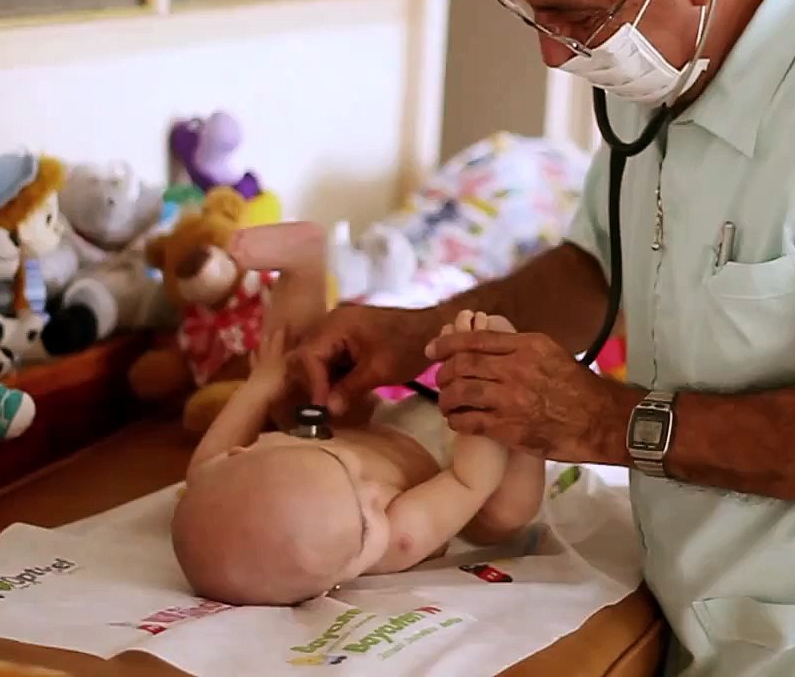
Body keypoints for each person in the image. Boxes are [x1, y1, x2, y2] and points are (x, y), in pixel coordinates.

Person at [287, 0, 795, 674]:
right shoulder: (662, 61)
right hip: (708, 603)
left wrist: (601, 422)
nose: (555, 53)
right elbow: (601, 267)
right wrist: (414, 334)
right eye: (531, 11)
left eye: (579, 17)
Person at [172, 222, 545, 606]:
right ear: (332, 584)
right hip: (456, 454)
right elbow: (469, 482)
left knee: (295, 382)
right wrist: (477, 387)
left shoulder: (221, 476)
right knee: (506, 513)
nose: (374, 490)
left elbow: (205, 467)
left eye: (333, 458)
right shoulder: (398, 540)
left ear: (247, 451)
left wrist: (262, 383)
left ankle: (304, 267)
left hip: (377, 422)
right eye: (368, 524)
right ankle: (507, 365)